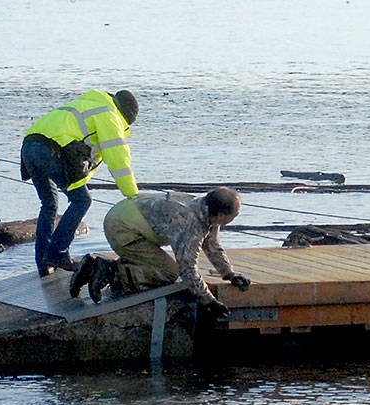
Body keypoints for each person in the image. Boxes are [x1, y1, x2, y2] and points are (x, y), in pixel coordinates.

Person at [69, 187, 250, 318]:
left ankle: (101, 268)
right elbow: (187, 269)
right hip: (122, 228)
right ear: (220, 214)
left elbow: (212, 245)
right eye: (235, 214)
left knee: (161, 265)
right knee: (169, 272)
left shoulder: (204, 208)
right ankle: (108, 272)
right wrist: (209, 301)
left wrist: (229, 273)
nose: (235, 217)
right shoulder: (190, 222)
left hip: (127, 214)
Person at [19, 89, 139, 277]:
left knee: (49, 204)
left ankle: (44, 261)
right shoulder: (109, 115)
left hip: (29, 146)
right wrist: (132, 194)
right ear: (126, 116)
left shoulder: (89, 104)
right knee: (82, 200)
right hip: (50, 151)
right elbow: (118, 160)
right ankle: (57, 253)